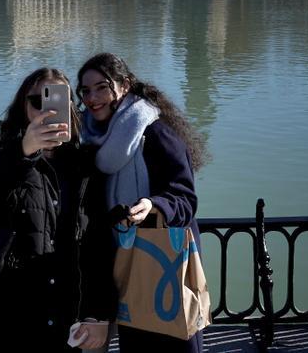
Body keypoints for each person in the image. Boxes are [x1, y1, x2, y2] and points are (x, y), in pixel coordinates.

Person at [0, 68, 115, 352]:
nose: (44, 110)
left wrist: (98, 313)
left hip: (68, 316)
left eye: (55, 101)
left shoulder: (84, 164)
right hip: (9, 315)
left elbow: (97, 243)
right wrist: (25, 149)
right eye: (36, 101)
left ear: (70, 108)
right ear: (22, 107)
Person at [76, 53, 209, 353]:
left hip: (162, 263)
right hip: (122, 263)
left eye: (102, 87)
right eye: (85, 91)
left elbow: (185, 197)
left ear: (124, 85)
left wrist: (155, 205)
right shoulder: (86, 138)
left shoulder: (156, 133)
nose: (93, 98)